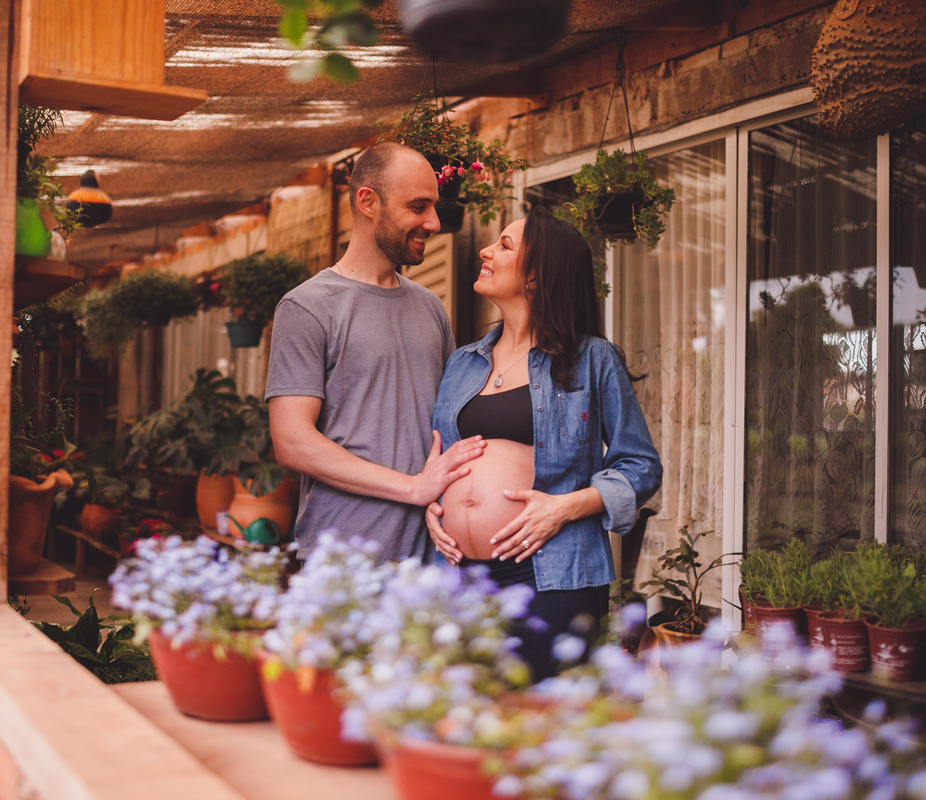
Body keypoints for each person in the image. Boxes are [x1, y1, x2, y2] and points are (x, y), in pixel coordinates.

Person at [426, 206, 662, 680]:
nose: (487, 251)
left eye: (506, 245)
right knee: (469, 711)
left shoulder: (591, 359)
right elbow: (444, 456)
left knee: (548, 718)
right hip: (460, 572)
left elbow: (640, 465)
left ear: (536, 277)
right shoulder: (462, 363)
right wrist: (433, 505)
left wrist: (563, 508)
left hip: (552, 573)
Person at [265, 142, 485, 562]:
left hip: (433, 555)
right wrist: (413, 488)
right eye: (418, 207)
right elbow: (292, 441)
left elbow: (451, 419)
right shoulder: (308, 307)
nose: (434, 223)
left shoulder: (430, 307)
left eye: (434, 207)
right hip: (346, 558)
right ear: (368, 202)